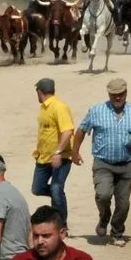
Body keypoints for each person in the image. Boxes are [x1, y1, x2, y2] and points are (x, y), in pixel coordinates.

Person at [72, 78, 131, 247]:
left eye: (121, 95)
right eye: (114, 95)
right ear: (109, 94)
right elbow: (81, 130)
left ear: (126, 93)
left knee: (123, 204)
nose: (117, 98)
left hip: (127, 164)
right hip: (103, 163)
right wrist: (75, 151)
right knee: (103, 195)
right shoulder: (97, 111)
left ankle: (117, 232)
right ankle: (104, 217)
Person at [31, 78, 74, 226]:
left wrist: (58, 152)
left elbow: (68, 131)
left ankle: (61, 224)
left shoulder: (59, 107)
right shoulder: (44, 108)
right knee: (36, 189)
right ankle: (58, 198)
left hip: (60, 157)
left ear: (39, 91)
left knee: (56, 188)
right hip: (43, 157)